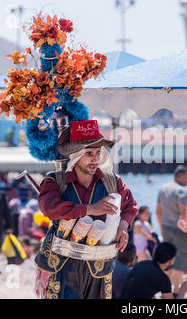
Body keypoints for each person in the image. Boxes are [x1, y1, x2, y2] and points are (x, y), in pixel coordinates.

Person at [35, 120, 138, 299]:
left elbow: (130, 204)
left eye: (98, 153)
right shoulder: (54, 181)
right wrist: (90, 209)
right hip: (62, 266)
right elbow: (49, 208)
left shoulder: (111, 181)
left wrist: (123, 225)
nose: (95, 159)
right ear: (75, 155)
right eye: (89, 153)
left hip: (98, 266)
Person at [156, 165, 187, 296]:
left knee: (166, 260)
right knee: (180, 260)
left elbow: (158, 211)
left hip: (165, 228)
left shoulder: (163, 189)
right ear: (180, 176)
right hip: (179, 230)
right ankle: (176, 291)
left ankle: (163, 289)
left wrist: (161, 227)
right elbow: (183, 215)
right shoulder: (181, 191)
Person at [120, 242, 187, 299]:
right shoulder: (163, 278)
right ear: (171, 260)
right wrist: (182, 291)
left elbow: (145, 292)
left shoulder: (142, 264)